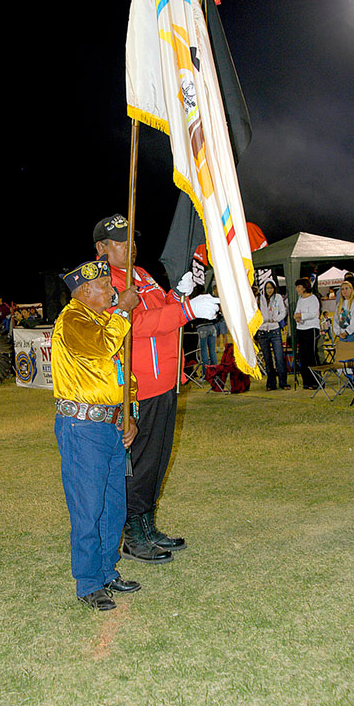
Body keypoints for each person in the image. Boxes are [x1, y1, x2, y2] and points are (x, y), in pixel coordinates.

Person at [94, 214, 220, 563]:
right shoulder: (105, 284)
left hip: (165, 377)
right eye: (120, 241)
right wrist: (188, 311)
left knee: (158, 458)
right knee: (140, 462)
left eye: (132, 238)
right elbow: (136, 324)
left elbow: (160, 306)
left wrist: (177, 294)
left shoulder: (142, 274)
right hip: (139, 385)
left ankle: (148, 525)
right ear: (101, 248)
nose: (129, 246)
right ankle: (133, 534)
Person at [51, 257, 141, 610]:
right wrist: (123, 312)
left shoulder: (103, 319)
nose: (113, 290)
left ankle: (106, 570)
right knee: (88, 507)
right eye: (105, 285)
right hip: (83, 427)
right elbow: (101, 347)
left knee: (113, 505)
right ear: (84, 290)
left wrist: (129, 415)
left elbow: (124, 376)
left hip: (112, 425)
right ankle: (88, 581)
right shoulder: (72, 320)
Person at [256, 280, 291, 391]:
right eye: (267, 288)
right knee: (267, 358)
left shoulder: (278, 298)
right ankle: (270, 383)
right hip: (262, 330)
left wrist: (275, 319)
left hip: (274, 329)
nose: (269, 290)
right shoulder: (259, 299)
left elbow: (283, 312)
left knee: (279, 357)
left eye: (271, 288)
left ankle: (283, 382)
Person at [293, 277, 320, 389]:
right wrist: (297, 317)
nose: (297, 289)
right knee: (303, 356)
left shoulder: (313, 299)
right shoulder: (300, 299)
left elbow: (313, 313)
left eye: (299, 287)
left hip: (311, 328)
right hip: (301, 329)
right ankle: (306, 380)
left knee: (311, 355)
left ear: (304, 287)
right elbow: (297, 312)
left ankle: (315, 380)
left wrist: (301, 316)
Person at [333, 280, 354, 356]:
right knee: (344, 358)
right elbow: (336, 319)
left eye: (347, 288)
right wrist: (338, 332)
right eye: (342, 289)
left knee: (352, 359)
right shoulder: (340, 305)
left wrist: (347, 332)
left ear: (351, 289)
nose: (344, 291)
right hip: (342, 336)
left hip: (353, 334)